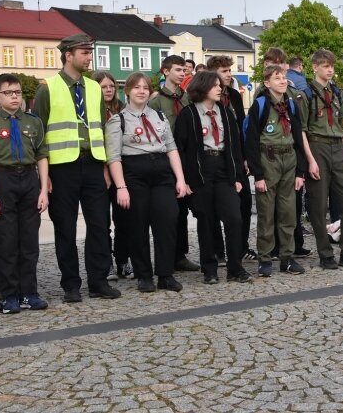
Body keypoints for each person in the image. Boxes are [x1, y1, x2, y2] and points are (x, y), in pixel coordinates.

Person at [34, 34, 120, 302]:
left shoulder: (94, 88)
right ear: (68, 55)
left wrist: (106, 166)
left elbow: (101, 129)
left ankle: (99, 280)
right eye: (84, 52)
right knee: (65, 227)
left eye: (89, 51)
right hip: (62, 167)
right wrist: (43, 176)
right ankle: (70, 284)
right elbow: (39, 135)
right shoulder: (47, 88)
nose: (89, 56)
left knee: (99, 224)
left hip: (93, 162)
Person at [105, 73, 189, 293]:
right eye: (136, 88)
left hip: (161, 173)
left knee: (168, 221)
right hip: (134, 174)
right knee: (138, 225)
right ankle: (144, 275)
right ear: (128, 92)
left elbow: (171, 148)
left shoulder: (159, 116)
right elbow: (114, 157)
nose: (141, 91)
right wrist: (121, 187)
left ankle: (165, 274)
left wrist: (179, 178)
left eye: (145, 87)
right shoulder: (118, 120)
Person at [175, 71, 252, 284]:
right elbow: (180, 149)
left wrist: (236, 176)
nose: (220, 88)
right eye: (215, 85)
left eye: (221, 85)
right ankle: (209, 269)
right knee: (206, 221)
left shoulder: (225, 113)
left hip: (223, 170)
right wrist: (185, 179)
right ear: (203, 87)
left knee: (234, 218)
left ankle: (235, 268)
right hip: (200, 171)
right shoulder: (188, 114)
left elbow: (235, 146)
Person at [0, 74, 44, 313]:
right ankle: (10, 296)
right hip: (2, 179)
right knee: (6, 241)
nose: (15, 97)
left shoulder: (32, 122)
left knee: (29, 241)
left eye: (17, 92)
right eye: (9, 93)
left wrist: (43, 188)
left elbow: (41, 155)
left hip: (28, 178)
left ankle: (30, 292)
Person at [300, 49, 343, 269]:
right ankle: (325, 253)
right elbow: (302, 130)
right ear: (315, 67)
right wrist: (309, 159)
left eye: (331, 66)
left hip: (338, 148)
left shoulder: (338, 93)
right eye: (325, 66)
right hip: (317, 146)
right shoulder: (306, 94)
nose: (329, 70)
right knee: (319, 205)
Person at [246, 65, 307, 277]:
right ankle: (264, 258)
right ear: (267, 83)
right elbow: (251, 141)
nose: (282, 81)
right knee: (266, 213)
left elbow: (298, 137)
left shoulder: (291, 104)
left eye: (283, 77)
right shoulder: (260, 105)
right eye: (277, 78)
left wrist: (301, 171)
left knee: (288, 212)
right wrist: (258, 175)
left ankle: (287, 258)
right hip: (268, 159)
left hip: (289, 159)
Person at [149, 55, 200, 272]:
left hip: (188, 159)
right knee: (169, 212)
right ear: (165, 71)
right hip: (167, 159)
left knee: (185, 210)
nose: (182, 74)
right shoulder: (156, 101)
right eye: (178, 70)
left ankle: (181, 254)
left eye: (184, 70)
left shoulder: (187, 98)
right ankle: (170, 256)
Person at [207, 55, 257, 261]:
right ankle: (218, 250)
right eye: (225, 71)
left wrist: (245, 158)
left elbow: (242, 126)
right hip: (216, 156)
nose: (229, 74)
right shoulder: (208, 98)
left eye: (230, 70)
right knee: (215, 207)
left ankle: (241, 245)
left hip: (236, 155)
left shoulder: (235, 96)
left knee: (244, 202)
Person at [93, 71, 132, 281]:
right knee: (102, 222)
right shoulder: (92, 111)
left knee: (123, 219)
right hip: (100, 171)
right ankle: (105, 262)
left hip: (123, 171)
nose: (108, 90)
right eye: (103, 86)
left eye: (111, 86)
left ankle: (123, 260)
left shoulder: (123, 111)